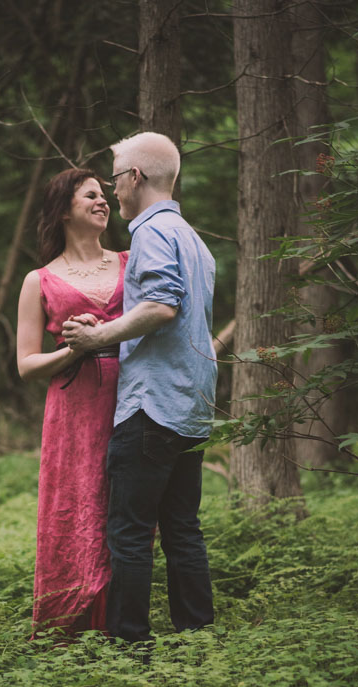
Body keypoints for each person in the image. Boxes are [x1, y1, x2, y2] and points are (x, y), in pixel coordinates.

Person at [62, 132, 217, 644]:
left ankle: (131, 646)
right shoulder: (194, 240)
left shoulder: (150, 233)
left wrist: (95, 337)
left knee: (129, 535)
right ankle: (196, 641)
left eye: (116, 179)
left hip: (151, 406)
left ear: (135, 178)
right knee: (182, 531)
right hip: (191, 409)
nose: (114, 192)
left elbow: (161, 306)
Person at [17, 168, 128, 637]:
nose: (103, 202)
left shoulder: (130, 260)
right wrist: (74, 349)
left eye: (104, 195)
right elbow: (26, 364)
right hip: (74, 408)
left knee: (123, 505)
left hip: (132, 398)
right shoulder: (38, 280)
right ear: (64, 209)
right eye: (91, 196)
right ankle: (70, 623)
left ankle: (122, 621)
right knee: (76, 504)